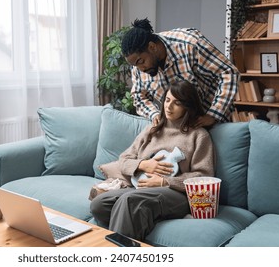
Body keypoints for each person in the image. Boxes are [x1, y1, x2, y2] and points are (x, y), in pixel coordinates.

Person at [90, 81, 215, 241]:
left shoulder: (198, 135)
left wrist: (164, 181)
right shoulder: (152, 129)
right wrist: (143, 165)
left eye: (177, 103)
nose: (169, 107)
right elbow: (124, 159)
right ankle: (146, 216)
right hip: (141, 190)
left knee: (129, 201)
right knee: (99, 204)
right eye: (167, 100)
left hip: (177, 195)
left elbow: (204, 176)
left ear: (188, 107)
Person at [121, 18, 240, 128]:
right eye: (135, 65)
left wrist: (213, 114)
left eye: (141, 62)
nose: (140, 69)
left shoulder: (190, 44)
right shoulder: (138, 66)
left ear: (152, 47)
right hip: (179, 128)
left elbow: (228, 72)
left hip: (211, 120)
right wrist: (154, 114)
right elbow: (138, 96)